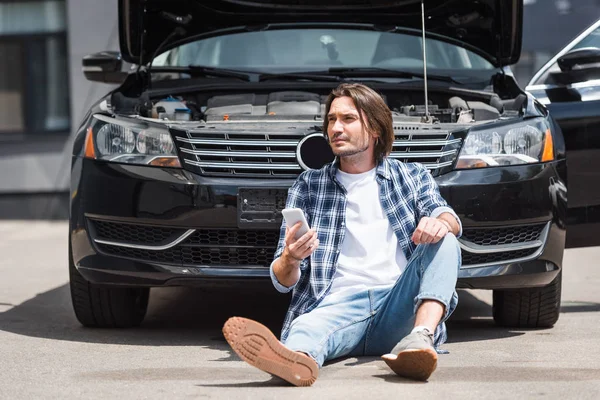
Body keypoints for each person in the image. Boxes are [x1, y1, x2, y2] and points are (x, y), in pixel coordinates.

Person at [222, 83, 462, 386]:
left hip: (398, 304)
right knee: (306, 328)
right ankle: (296, 361)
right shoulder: (308, 185)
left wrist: (439, 222)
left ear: (375, 128)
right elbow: (282, 281)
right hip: (338, 307)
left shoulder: (411, 176)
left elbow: (447, 216)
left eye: (348, 119)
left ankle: (418, 340)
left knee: (447, 240)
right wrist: (290, 259)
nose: (336, 128)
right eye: (331, 120)